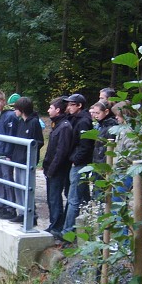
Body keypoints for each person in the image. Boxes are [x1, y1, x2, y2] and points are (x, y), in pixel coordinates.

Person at [61, 93, 94, 238]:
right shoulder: (75, 119)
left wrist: (76, 159)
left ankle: (67, 232)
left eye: (71, 104)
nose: (68, 107)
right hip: (77, 163)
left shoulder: (83, 122)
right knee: (83, 196)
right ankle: (87, 227)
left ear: (79, 106)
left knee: (73, 199)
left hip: (79, 164)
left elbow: (85, 145)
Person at [10, 97, 44, 224]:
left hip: (27, 161)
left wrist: (27, 151)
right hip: (18, 159)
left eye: (16, 108)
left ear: (22, 109)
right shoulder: (20, 122)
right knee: (18, 187)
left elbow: (39, 141)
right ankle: (21, 212)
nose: (14, 111)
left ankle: (30, 215)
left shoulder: (34, 122)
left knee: (26, 187)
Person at [42, 97, 73, 240]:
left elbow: (61, 152)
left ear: (58, 110)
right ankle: (53, 224)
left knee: (55, 198)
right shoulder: (58, 125)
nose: (48, 110)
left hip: (58, 170)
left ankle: (57, 226)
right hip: (51, 168)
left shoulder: (65, 126)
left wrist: (52, 169)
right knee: (51, 198)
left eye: (50, 108)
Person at [0, 90, 18, 220]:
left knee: (7, 179)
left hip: (5, 153)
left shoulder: (10, 115)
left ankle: (10, 208)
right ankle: (1, 204)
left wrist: (8, 153)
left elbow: (11, 136)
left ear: (3, 102)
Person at [91, 100, 118, 200]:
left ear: (106, 112)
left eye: (98, 113)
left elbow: (108, 149)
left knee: (101, 195)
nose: (95, 116)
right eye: (94, 113)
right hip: (98, 164)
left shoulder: (111, 128)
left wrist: (102, 166)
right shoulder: (102, 126)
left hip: (103, 166)